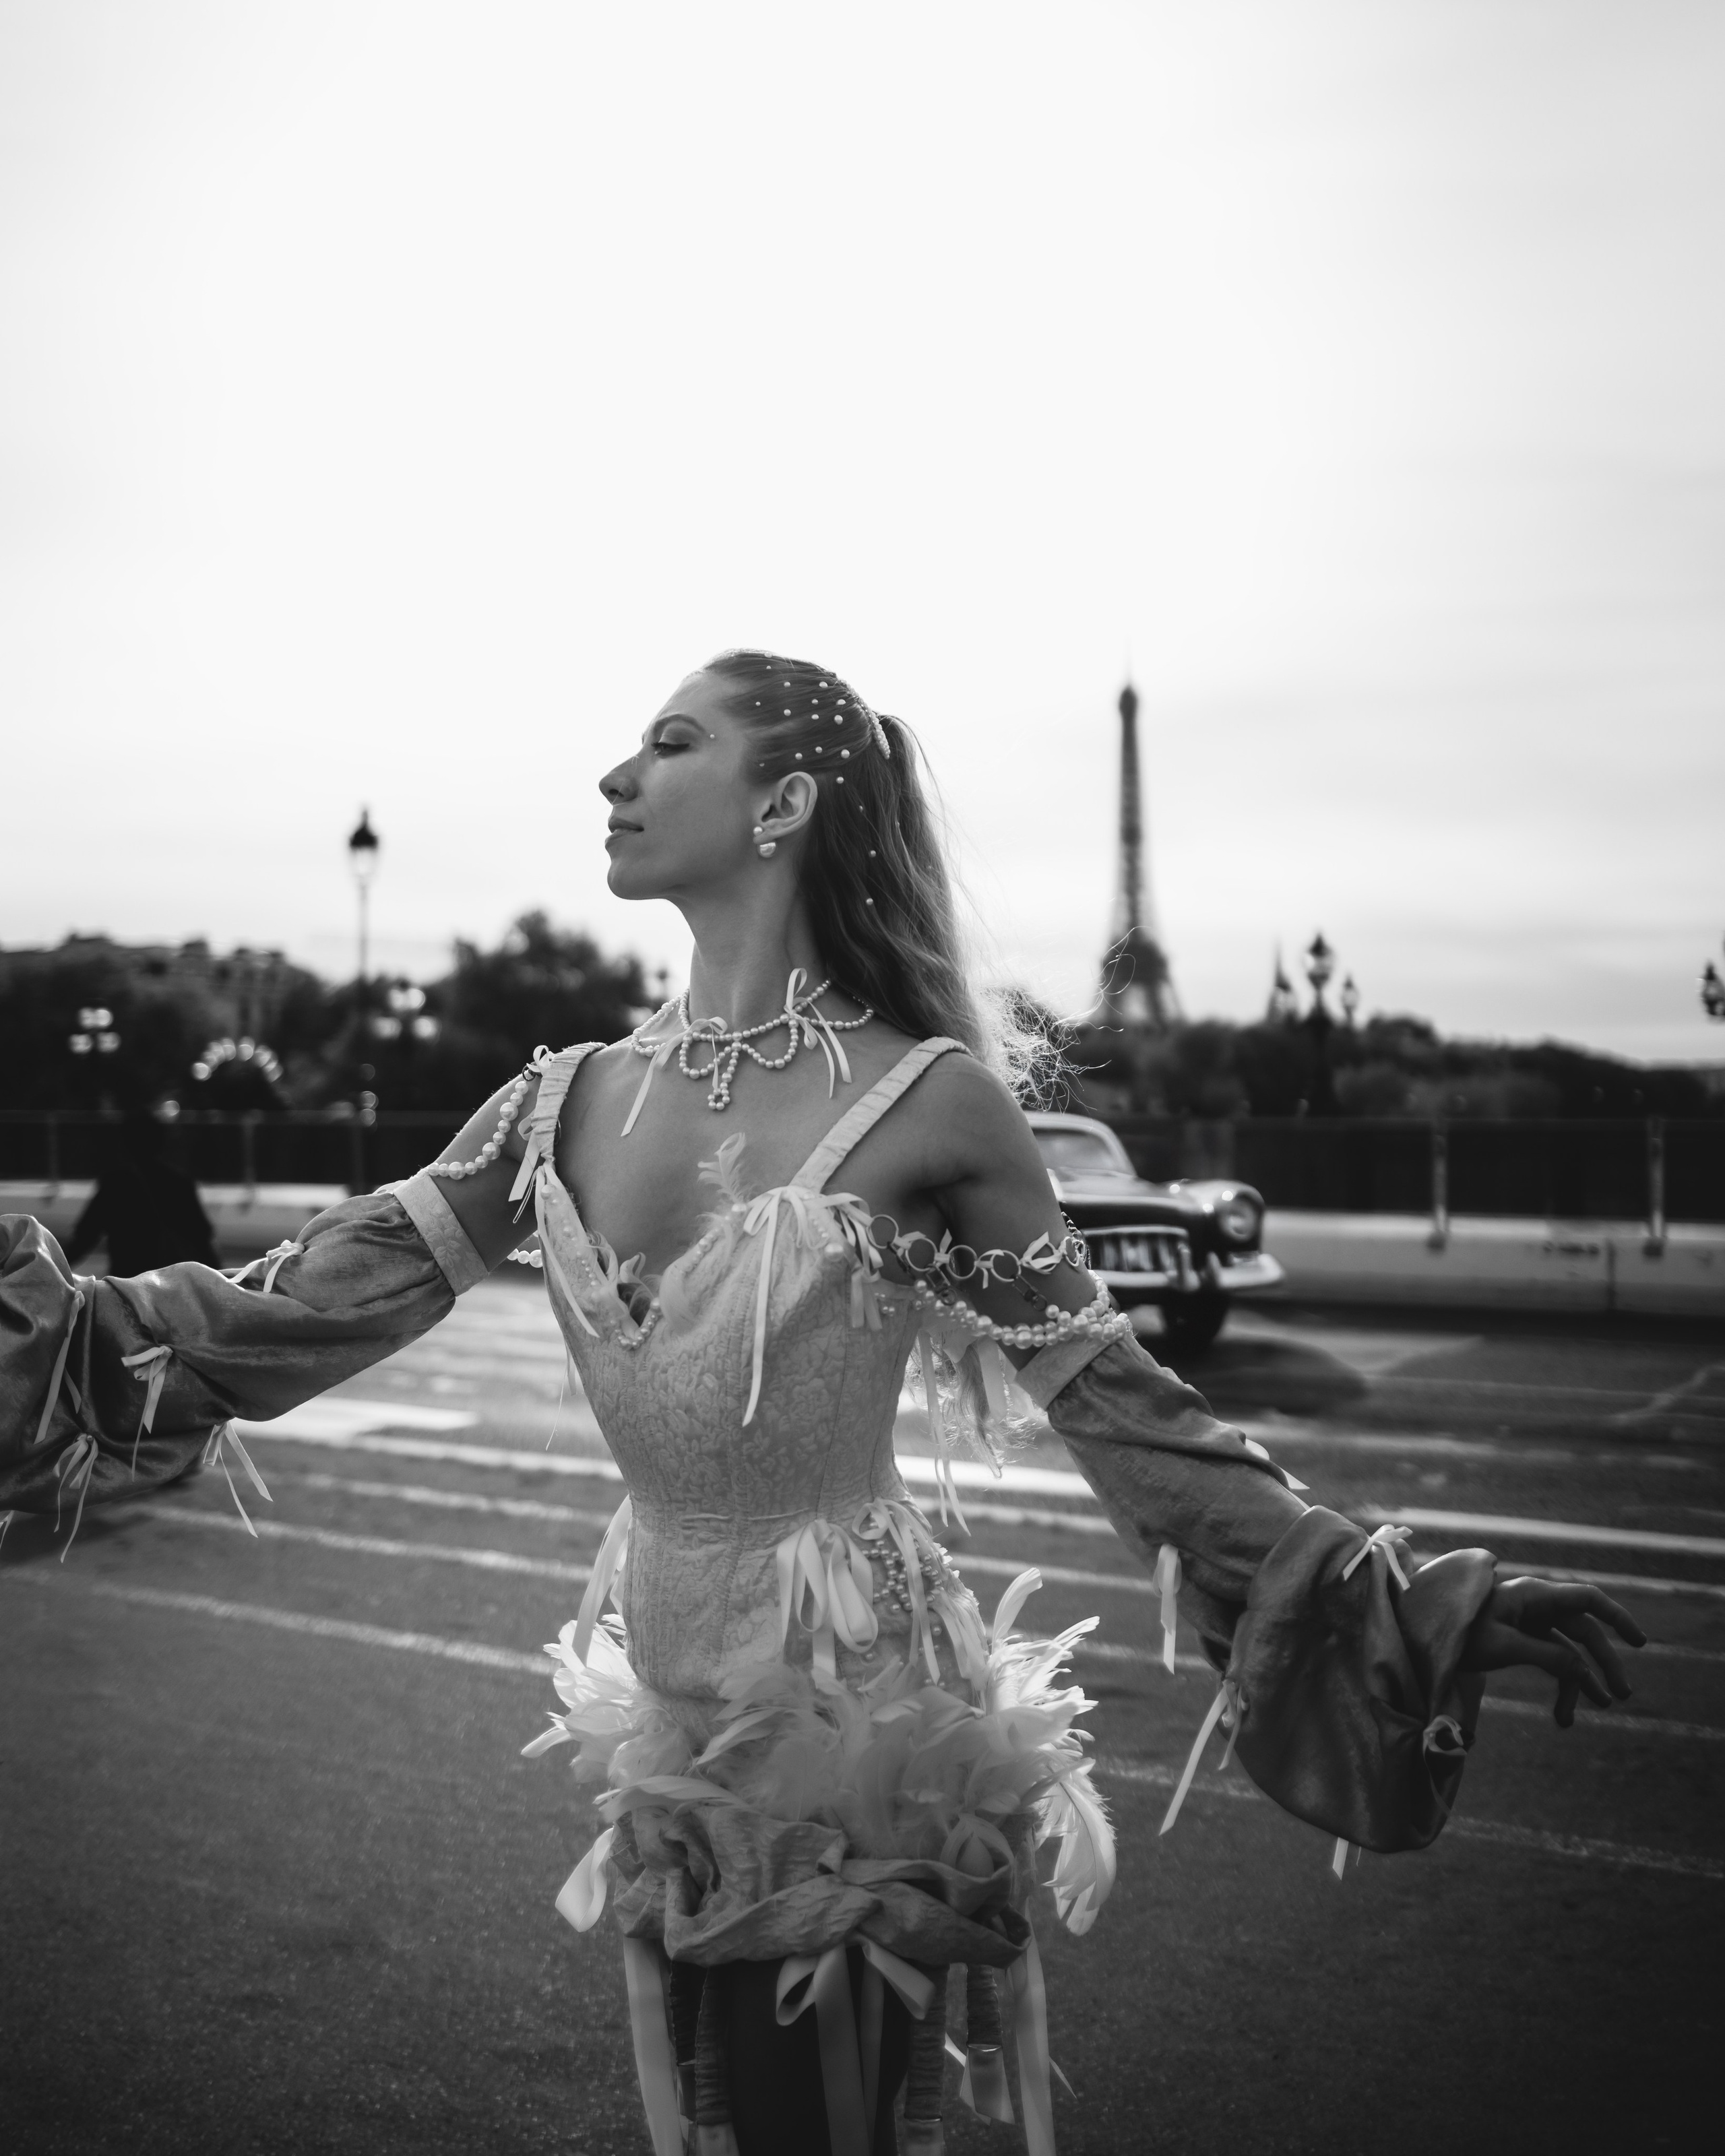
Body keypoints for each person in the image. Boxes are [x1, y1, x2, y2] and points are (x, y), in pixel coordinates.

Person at [0, 649, 1643, 2156]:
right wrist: (48, 1333)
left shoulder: (933, 1104)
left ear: (783, 804)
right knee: (715, 2121)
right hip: (670, 1702)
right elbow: (301, 1305)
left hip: (863, 1710)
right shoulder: (551, 1105)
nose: (612, 777)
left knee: (814, 2125)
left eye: (667, 741)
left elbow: (1115, 1405)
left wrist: (1398, 1594)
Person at [63, 1107, 220, 1277]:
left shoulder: (116, 1184)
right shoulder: (179, 1183)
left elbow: (85, 1237)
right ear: (161, 1142)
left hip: (128, 1283)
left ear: (126, 1142)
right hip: (171, 1284)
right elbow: (202, 1238)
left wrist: (54, 1270)